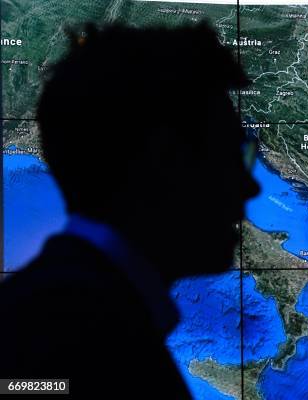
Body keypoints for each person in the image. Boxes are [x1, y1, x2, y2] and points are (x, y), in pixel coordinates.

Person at [0, 23, 259, 398]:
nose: (249, 186)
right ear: (166, 160)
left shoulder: (55, 317)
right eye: (232, 156)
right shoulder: (99, 349)